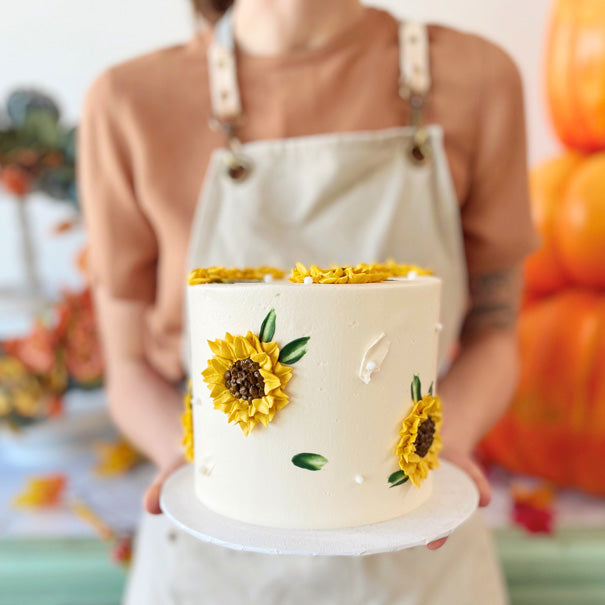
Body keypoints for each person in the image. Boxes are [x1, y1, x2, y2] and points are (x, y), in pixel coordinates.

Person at [79, 0, 537, 603]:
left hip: (421, 558)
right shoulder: (128, 102)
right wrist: (201, 462)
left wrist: (444, 443)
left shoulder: (478, 78)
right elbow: (129, 366)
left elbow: (494, 332)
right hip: (213, 568)